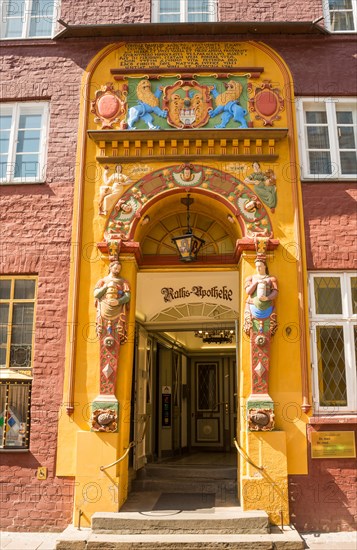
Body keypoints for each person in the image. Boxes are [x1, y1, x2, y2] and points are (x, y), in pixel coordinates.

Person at [94, 261, 131, 344]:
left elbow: (127, 297)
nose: (117, 270)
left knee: (117, 329)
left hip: (117, 309)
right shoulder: (103, 281)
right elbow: (96, 294)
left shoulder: (122, 282)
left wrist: (118, 301)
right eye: (115, 268)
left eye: (119, 269)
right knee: (104, 329)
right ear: (110, 268)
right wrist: (105, 287)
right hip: (104, 308)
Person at [244, 258, 278, 332]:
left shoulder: (271, 279)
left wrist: (267, 298)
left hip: (268, 308)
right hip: (252, 307)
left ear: (264, 266)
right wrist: (256, 283)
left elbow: (275, 292)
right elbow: (248, 292)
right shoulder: (251, 278)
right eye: (256, 266)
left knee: (268, 330)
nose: (258, 268)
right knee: (253, 331)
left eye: (260, 266)